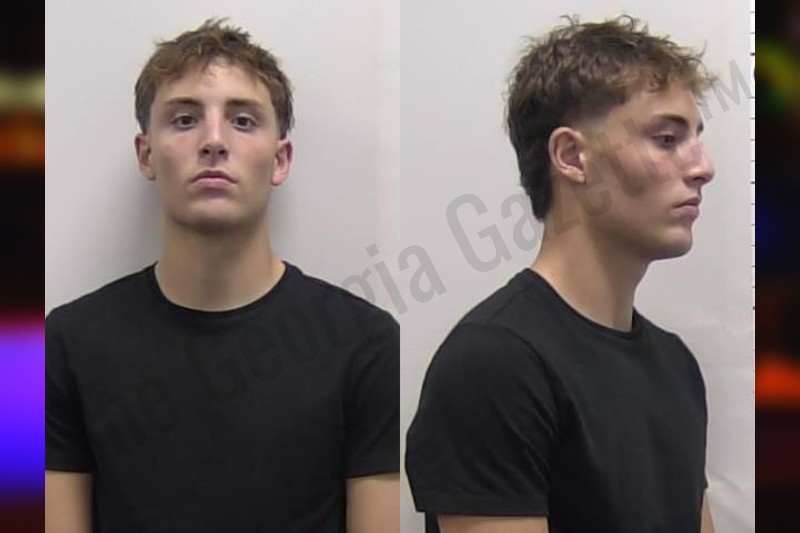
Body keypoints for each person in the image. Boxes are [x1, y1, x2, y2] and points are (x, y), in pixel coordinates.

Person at [45, 18, 399, 533]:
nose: (213, 140)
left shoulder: (368, 344)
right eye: (185, 119)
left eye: (243, 120)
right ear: (146, 154)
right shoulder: (57, 346)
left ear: (280, 159)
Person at [406, 15, 717, 533]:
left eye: (695, 139)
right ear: (572, 156)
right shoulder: (494, 366)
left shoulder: (675, 365)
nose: (703, 167)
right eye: (667, 139)